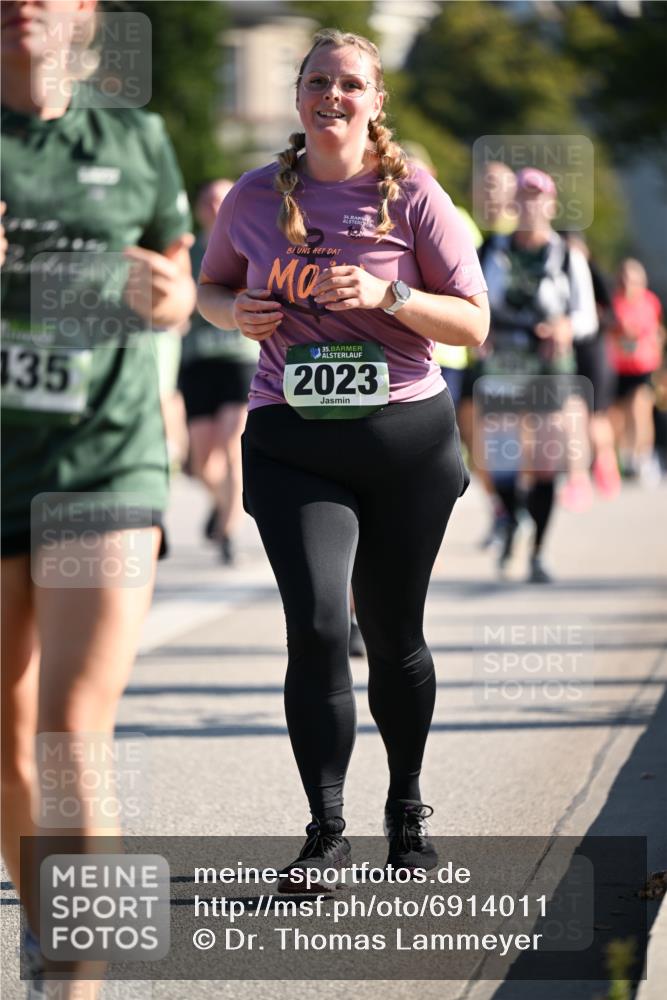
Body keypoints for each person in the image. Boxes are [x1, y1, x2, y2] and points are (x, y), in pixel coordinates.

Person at [198, 28, 488, 882]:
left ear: (375, 102)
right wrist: (234, 314)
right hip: (293, 438)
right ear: (297, 97)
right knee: (320, 625)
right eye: (318, 81)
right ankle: (325, 830)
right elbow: (213, 286)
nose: (334, 95)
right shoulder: (252, 197)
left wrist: (391, 294)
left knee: (395, 633)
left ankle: (406, 810)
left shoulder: (414, 197)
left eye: (351, 83)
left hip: (404, 439)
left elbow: (472, 322)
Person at [1, 0, 195, 989]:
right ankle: (50, 935)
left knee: (72, 719)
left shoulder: (133, 134)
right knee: (6, 731)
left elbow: (177, 278)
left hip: (104, 460)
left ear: (82, 12)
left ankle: (81, 968)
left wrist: (169, 295)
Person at [479, 167, 598, 582]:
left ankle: (538, 552)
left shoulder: (566, 254)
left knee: (547, 459)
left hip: (550, 363)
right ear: (514, 205)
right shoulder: (491, 248)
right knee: (502, 459)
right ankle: (513, 518)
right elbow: (471, 299)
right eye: (524, 198)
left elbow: (586, 316)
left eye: (539, 197)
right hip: (504, 362)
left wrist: (567, 327)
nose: (531, 206)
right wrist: (480, 330)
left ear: (551, 204)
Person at [180, 179, 260, 564]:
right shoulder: (188, 249)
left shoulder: (250, 241)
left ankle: (228, 532)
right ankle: (220, 501)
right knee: (200, 461)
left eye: (222, 201)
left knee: (231, 447)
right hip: (196, 359)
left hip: (239, 356)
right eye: (209, 201)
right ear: (199, 209)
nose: (216, 208)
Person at [608, 258, 664, 484]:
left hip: (643, 366)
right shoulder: (614, 303)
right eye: (624, 279)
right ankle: (623, 456)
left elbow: (657, 331)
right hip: (618, 367)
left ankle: (643, 457)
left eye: (633, 279)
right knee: (618, 416)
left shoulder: (650, 302)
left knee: (640, 409)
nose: (629, 284)